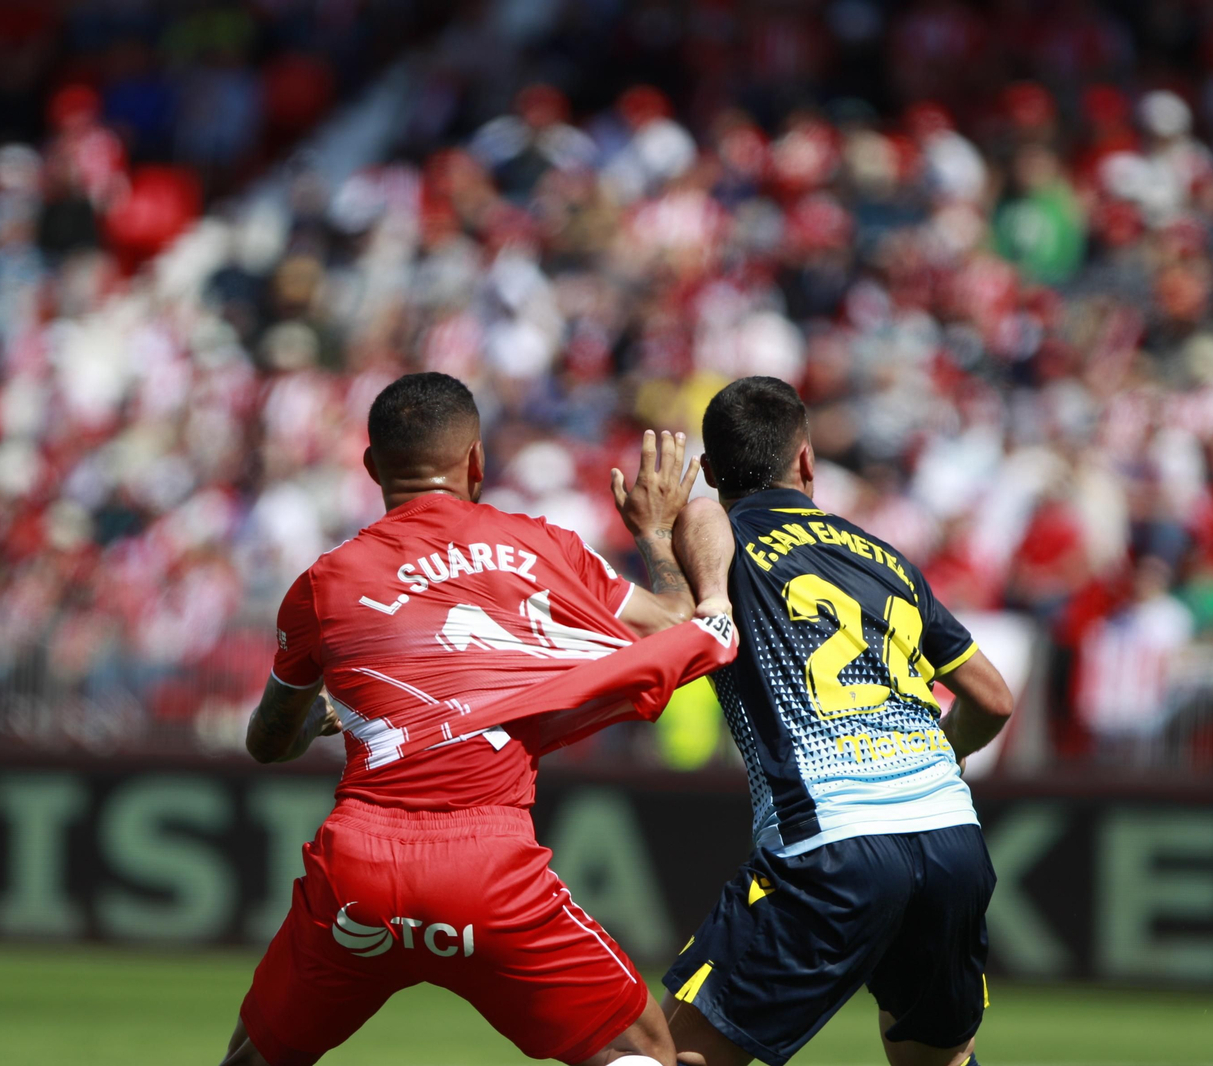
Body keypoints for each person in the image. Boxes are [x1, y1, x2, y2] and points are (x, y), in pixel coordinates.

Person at [222, 372, 733, 1066]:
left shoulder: (323, 583)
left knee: (256, 1053)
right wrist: (656, 533)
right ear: (476, 463)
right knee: (640, 1047)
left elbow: (267, 743)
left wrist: (314, 716)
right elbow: (673, 626)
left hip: (360, 868)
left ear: (373, 467)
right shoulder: (545, 549)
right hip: (489, 868)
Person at [663, 376, 1014, 1066]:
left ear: (707, 473)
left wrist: (671, 547)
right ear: (806, 462)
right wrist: (945, 749)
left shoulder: (721, 536)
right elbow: (993, 698)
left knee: (679, 1055)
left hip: (834, 841)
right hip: (950, 839)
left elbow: (701, 526)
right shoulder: (884, 558)